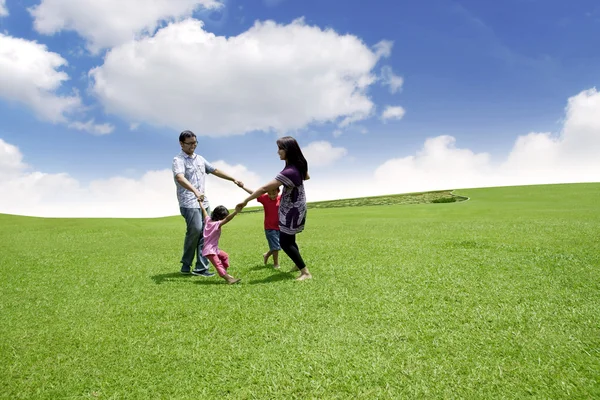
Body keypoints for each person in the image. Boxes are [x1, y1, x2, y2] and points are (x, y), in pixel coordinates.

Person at [236, 136, 312, 281]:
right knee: (290, 239)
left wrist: (245, 201)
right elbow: (306, 177)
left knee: (284, 242)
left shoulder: (289, 171)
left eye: (280, 149)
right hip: (297, 205)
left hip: (291, 209)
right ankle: (298, 265)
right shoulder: (300, 164)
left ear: (288, 150)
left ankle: (306, 273)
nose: (278, 152)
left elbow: (264, 188)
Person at [172, 130, 244, 276]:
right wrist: (195, 191)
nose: (193, 146)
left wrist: (233, 179)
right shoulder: (178, 160)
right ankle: (186, 265)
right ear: (181, 143)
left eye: (195, 142)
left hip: (203, 203)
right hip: (188, 202)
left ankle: (201, 268)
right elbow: (180, 178)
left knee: (206, 233)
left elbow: (214, 170)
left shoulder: (200, 159)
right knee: (195, 230)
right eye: (190, 143)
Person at [198, 200, 241, 285]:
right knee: (218, 264)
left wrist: (200, 202)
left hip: (214, 249)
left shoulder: (208, 220)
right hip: (209, 250)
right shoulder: (217, 224)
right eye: (224, 217)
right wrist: (236, 211)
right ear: (221, 217)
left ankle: (225, 273)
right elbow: (228, 219)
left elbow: (204, 211)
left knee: (225, 256)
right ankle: (228, 279)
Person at [241, 185, 281, 269]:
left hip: (281, 227)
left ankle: (266, 254)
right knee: (276, 247)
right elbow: (254, 193)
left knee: (278, 245)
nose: (272, 196)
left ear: (278, 191)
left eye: (274, 193)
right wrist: (243, 186)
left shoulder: (282, 198)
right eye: (270, 194)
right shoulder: (265, 198)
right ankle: (276, 264)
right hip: (269, 227)